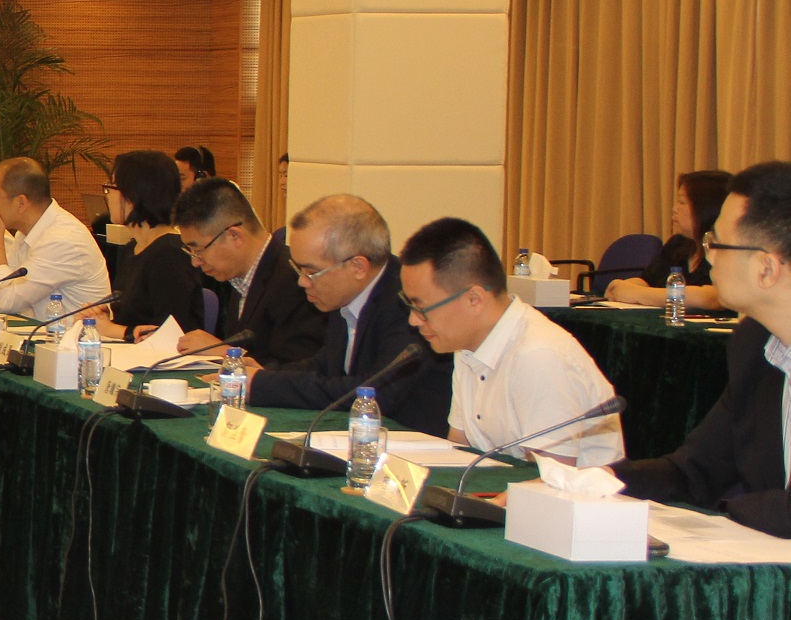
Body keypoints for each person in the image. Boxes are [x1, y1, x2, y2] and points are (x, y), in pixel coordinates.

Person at [616, 162, 791, 534]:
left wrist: (727, 512)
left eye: (717, 244)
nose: (708, 256)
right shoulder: (753, 346)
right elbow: (693, 472)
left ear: (766, 269)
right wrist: (592, 482)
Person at [399, 216, 623, 465]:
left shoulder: (540, 356)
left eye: (421, 308)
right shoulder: (467, 347)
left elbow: (552, 478)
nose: (413, 320)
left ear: (474, 299)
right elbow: (459, 453)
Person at [245, 195, 452, 435]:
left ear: (357, 267)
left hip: (413, 446)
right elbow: (326, 364)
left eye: (311, 271)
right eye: (298, 269)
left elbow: (375, 393)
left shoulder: (406, 303)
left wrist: (264, 384)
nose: (302, 282)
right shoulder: (345, 295)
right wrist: (265, 372)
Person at [173, 178, 326, 363]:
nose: (195, 261)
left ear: (234, 236)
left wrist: (226, 352)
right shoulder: (239, 276)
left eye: (198, 250)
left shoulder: (295, 281)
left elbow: (296, 369)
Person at [0, 156, 111, 321]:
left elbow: (6, 301)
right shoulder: (28, 231)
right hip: (49, 333)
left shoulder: (60, 240)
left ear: (21, 202)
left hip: (79, 336)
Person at [100, 149, 202, 340]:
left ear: (132, 196)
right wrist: (103, 319)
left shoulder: (170, 254)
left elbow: (172, 335)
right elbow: (132, 319)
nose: (107, 195)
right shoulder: (132, 248)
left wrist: (112, 330)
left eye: (111, 187)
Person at [604, 169, 732, 312]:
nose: (674, 209)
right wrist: (622, 287)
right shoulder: (679, 243)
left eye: (682, 202)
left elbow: (709, 298)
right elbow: (647, 281)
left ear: (706, 208)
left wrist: (636, 293)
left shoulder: (725, 248)